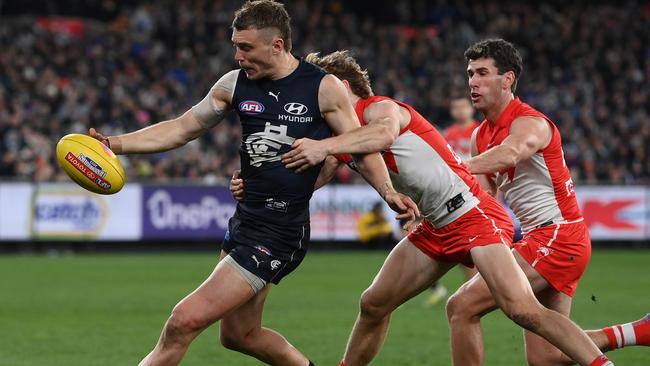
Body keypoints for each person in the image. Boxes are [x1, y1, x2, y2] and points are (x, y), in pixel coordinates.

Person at [88, 2, 417, 366]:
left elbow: (361, 148)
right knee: (239, 335)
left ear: (277, 45)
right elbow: (182, 129)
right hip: (245, 221)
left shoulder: (323, 89)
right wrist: (113, 144)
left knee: (183, 321)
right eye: (235, 45)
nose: (237, 55)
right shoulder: (233, 84)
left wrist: (388, 192)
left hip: (279, 230)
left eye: (245, 47)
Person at [277, 50, 615, 366]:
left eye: (318, 89)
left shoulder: (380, 108)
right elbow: (314, 174)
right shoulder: (344, 135)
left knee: (521, 309)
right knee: (373, 304)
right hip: (436, 224)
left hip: (473, 214)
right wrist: (261, 185)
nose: (313, 99)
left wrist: (322, 146)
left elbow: (382, 135)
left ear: (343, 87)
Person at [446, 38, 648, 366]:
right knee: (547, 357)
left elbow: (512, 152)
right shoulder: (480, 136)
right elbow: (483, 201)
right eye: (470, 73)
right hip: (550, 240)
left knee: (461, 307)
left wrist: (452, 165)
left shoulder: (531, 122)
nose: (472, 81)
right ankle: (637, 332)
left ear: (507, 79)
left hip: (557, 236)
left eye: (482, 73)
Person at [422, 94, 482, 307]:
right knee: (458, 250)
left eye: (462, 106)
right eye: (455, 107)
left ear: (471, 108)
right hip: (452, 195)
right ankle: (469, 295)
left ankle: (474, 295)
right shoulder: (448, 134)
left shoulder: (479, 131)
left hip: (476, 196)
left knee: (471, 251)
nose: (459, 111)